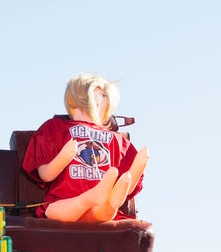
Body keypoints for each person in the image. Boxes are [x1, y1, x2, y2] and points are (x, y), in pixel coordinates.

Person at [21, 73, 149, 222]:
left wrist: (133, 174)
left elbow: (128, 191)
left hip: (100, 210)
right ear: (75, 98)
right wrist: (64, 157)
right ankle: (92, 197)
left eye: (105, 97)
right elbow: (45, 174)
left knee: (108, 208)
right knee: (54, 210)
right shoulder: (55, 127)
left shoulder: (117, 139)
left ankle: (113, 199)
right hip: (66, 201)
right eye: (101, 96)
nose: (103, 101)